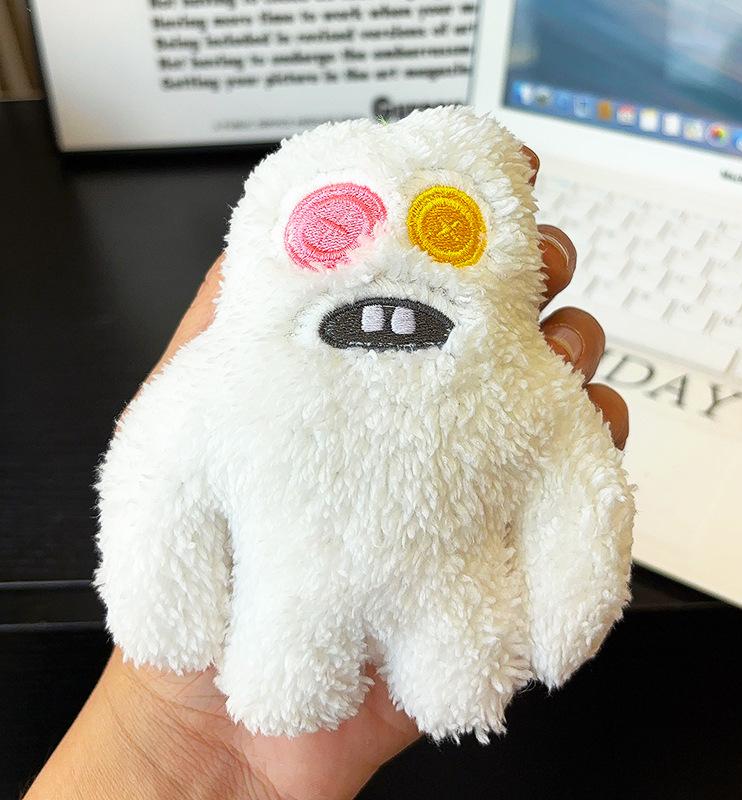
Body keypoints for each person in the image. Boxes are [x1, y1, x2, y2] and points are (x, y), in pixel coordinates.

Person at [25, 147, 629, 800]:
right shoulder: (228, 370)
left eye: (444, 227)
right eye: (338, 224)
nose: (389, 259)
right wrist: (164, 630)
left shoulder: (519, 380)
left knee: (455, 672)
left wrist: (566, 610)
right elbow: (156, 474)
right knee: (291, 674)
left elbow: (579, 486)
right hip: (287, 613)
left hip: (453, 609)